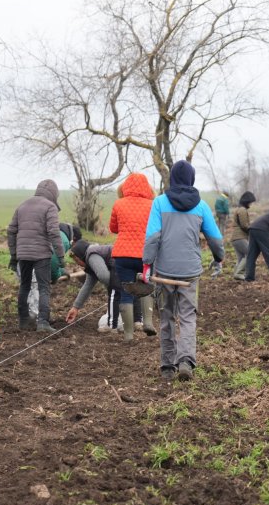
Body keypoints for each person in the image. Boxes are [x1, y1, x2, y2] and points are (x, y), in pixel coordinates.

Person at [143, 160, 224, 381]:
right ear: (191, 178)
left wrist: (146, 265)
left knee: (167, 316)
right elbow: (215, 239)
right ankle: (186, 361)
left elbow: (152, 237)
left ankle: (168, 366)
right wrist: (219, 257)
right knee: (188, 317)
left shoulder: (159, 202)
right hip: (190, 272)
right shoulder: (201, 206)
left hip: (164, 272)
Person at [7, 179, 66, 332]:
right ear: (54, 194)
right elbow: (54, 232)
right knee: (44, 288)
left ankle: (23, 322)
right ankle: (43, 323)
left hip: (23, 254)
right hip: (41, 255)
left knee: (24, 286)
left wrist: (14, 256)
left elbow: (11, 231)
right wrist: (61, 257)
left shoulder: (22, 205)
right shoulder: (50, 207)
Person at [109, 173, 155, 340]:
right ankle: (148, 322)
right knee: (147, 286)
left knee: (126, 291)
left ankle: (128, 334)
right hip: (145, 255)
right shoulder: (152, 205)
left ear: (125, 187)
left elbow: (113, 228)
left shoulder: (118, 203)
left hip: (123, 254)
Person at [19, 222, 79, 323]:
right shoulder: (63, 240)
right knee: (39, 289)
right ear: (73, 237)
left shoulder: (51, 233)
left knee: (28, 288)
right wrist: (57, 275)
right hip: (36, 264)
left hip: (22, 260)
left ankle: (26, 319)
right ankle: (38, 320)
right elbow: (54, 263)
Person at [66, 240, 123, 332]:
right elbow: (87, 286)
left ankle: (115, 324)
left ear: (82, 256)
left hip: (122, 263)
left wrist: (117, 291)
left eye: (77, 260)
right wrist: (75, 307)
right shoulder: (91, 263)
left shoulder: (91, 255)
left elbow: (104, 276)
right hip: (120, 269)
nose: (77, 263)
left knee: (118, 295)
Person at [230, 191, 256, 280]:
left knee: (241, 258)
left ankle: (237, 274)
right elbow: (245, 225)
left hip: (235, 238)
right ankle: (238, 273)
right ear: (247, 201)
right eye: (251, 202)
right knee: (250, 253)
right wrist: (253, 228)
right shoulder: (242, 210)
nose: (251, 204)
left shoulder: (238, 209)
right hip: (240, 237)